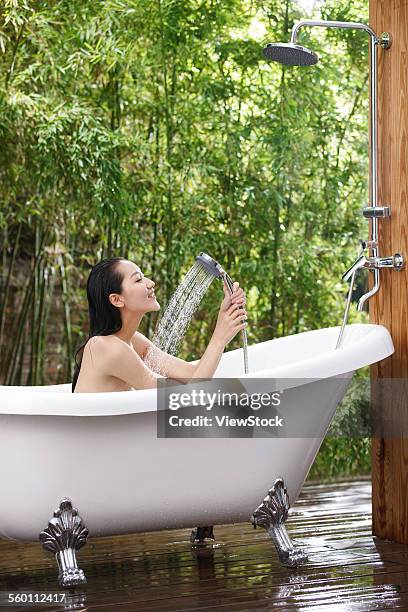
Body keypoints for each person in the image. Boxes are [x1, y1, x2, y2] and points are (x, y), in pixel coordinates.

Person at [72, 257, 247, 392]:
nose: (150, 283)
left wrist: (224, 318)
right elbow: (189, 396)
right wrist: (219, 337)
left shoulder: (134, 341)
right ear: (117, 299)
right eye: (138, 280)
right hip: (92, 438)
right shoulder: (105, 347)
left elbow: (193, 376)